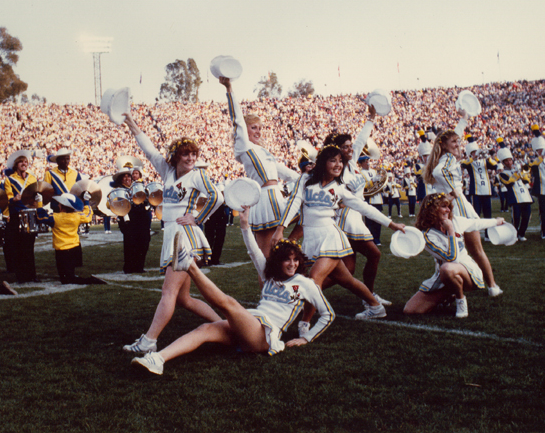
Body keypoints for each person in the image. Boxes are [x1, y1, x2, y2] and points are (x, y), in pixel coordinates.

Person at [132, 206, 334, 375]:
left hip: (264, 335)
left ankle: (190, 266)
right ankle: (157, 359)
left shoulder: (305, 284)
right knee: (205, 329)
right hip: (249, 325)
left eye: (295, 259)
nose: (292, 264)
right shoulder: (269, 274)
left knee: (229, 304)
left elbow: (328, 314)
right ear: (278, 261)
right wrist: (245, 225)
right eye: (287, 259)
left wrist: (306, 338)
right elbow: (253, 250)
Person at [121, 113, 224, 354]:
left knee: (168, 291)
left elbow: (217, 196)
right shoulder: (167, 172)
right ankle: (224, 325)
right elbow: (148, 149)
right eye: (186, 154)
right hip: (173, 233)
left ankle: (149, 341)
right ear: (177, 156)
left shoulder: (197, 175)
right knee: (183, 299)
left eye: (193, 154)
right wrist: (131, 123)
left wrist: (197, 218)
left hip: (183, 236)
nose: (191, 158)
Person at [273, 145, 406, 324]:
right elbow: (294, 203)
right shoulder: (305, 179)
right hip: (311, 239)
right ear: (322, 163)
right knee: (346, 280)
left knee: (314, 279)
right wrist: (280, 228)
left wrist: (391, 224)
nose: (338, 165)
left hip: (331, 238)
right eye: (333, 160)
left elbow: (364, 207)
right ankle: (376, 307)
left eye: (341, 161)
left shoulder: (340, 188)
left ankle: (304, 325)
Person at [423, 112, 502, 296]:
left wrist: (464, 120)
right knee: (476, 250)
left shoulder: (440, 156)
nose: (458, 146)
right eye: (455, 143)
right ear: (444, 145)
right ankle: (491, 286)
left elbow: (450, 138)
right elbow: (440, 172)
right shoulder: (448, 159)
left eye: (459, 143)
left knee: (448, 252)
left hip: (446, 209)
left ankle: (452, 288)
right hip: (458, 207)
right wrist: (454, 192)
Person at [221, 77, 299, 257]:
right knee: (267, 254)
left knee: (308, 212)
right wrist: (229, 88)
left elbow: (287, 173)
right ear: (244, 131)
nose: (258, 131)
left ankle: (291, 242)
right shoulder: (244, 147)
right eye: (254, 128)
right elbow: (237, 119)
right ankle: (267, 285)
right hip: (264, 201)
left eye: (260, 128)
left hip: (277, 197)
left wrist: (308, 175)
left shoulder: (264, 151)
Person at [403, 193, 506, 318]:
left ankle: (460, 300)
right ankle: (449, 293)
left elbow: (476, 223)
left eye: (449, 207)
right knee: (411, 310)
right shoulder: (427, 236)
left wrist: (497, 221)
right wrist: (451, 231)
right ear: (432, 210)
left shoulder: (456, 221)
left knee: (447, 269)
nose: (448, 210)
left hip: (467, 272)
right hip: (444, 276)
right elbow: (451, 257)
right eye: (443, 207)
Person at [323, 105, 388, 301]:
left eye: (350, 146)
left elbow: (361, 139)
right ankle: (370, 298)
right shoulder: (334, 170)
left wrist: (371, 117)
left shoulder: (351, 163)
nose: (350, 149)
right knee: (374, 254)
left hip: (356, 217)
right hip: (346, 220)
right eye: (345, 147)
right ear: (337, 150)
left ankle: (306, 291)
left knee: (347, 270)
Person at [37, 193, 105, 284]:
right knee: (67, 276)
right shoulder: (77, 216)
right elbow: (88, 215)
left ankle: (91, 280)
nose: (58, 205)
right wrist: (86, 202)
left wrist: (39, 203)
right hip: (74, 248)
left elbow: (40, 217)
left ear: (62, 206)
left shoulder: (55, 217)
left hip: (62, 251)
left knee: (67, 279)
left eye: (60, 204)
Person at [1, 149, 40, 283]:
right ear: (16, 165)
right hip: (16, 215)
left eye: (25, 161)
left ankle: (32, 275)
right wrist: (14, 199)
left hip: (31, 214)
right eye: (21, 162)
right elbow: (7, 198)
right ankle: (21, 276)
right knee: (18, 247)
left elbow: (37, 195)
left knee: (29, 246)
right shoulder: (9, 180)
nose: (24, 164)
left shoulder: (33, 177)